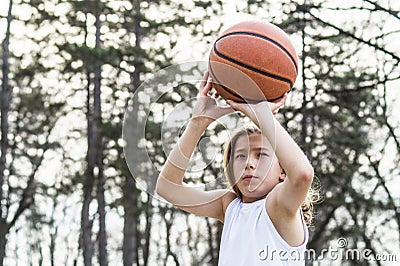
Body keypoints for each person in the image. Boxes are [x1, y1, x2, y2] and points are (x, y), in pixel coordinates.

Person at [156, 71, 317, 265]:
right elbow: (167, 188)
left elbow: (302, 174)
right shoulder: (229, 206)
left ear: (283, 171)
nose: (249, 163)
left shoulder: (278, 206)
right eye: (240, 155)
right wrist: (198, 122)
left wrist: (261, 114)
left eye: (261, 154)